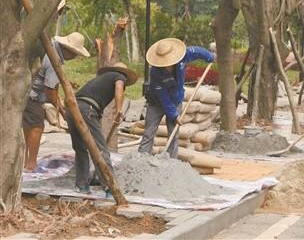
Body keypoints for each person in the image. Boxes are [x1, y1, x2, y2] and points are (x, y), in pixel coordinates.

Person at [66, 62, 137, 194]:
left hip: (72, 107)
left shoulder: (99, 80)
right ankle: (110, 186)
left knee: (80, 149)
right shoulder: (119, 76)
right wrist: (119, 110)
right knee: (101, 150)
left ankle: (81, 186)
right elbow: (119, 88)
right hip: (88, 108)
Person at [23, 32, 90, 171]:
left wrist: (59, 101)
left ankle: (25, 160)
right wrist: (59, 107)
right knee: (36, 127)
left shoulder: (51, 50)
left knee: (29, 125)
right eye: (75, 54)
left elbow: (55, 84)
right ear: (68, 50)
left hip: (27, 92)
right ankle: (30, 164)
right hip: (32, 95)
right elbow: (49, 88)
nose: (75, 57)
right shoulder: (54, 60)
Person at [138, 38, 215, 158]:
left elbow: (196, 51)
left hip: (175, 100)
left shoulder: (182, 57)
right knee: (149, 133)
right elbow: (163, 96)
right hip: (156, 102)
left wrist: (210, 56)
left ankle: (171, 162)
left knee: (174, 135)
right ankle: (141, 160)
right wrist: (174, 115)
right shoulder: (155, 72)